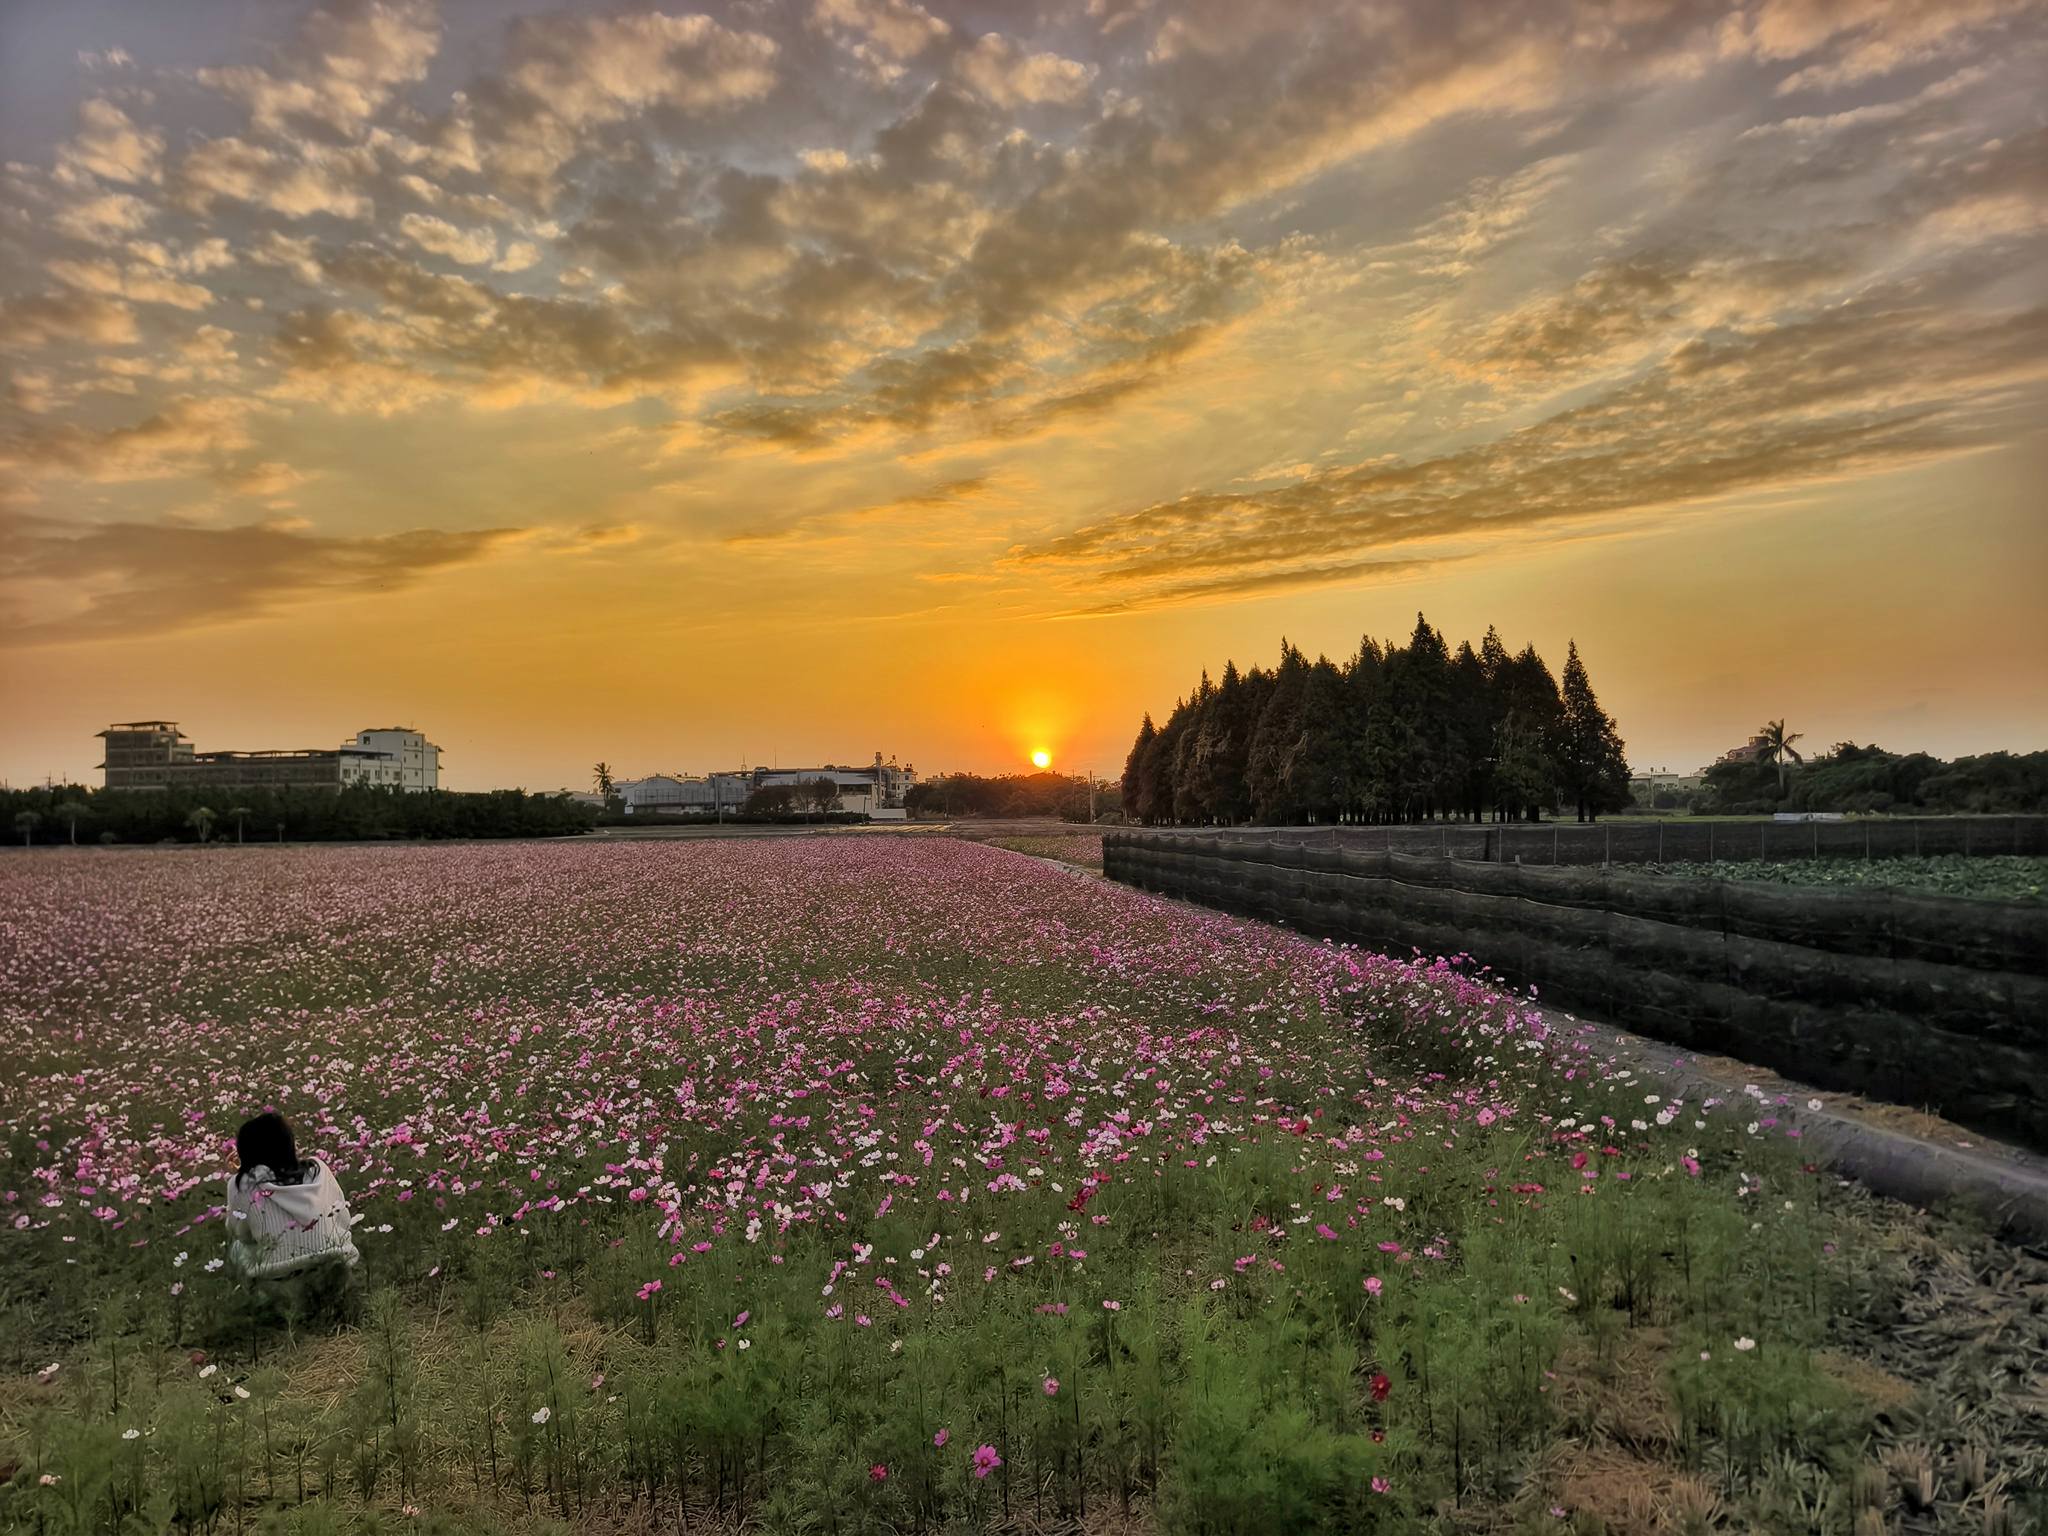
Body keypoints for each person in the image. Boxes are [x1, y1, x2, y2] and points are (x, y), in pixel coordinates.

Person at [225, 1113, 361, 1301]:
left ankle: (253, 1303)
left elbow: (241, 1233)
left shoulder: (241, 1184)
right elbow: (343, 1219)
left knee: (236, 1247)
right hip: (335, 1274)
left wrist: (241, 1179)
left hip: (280, 1290)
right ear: (289, 1143)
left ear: (245, 1151)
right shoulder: (318, 1170)